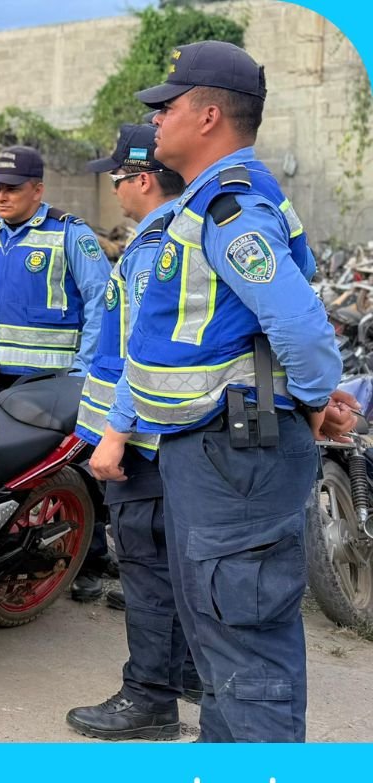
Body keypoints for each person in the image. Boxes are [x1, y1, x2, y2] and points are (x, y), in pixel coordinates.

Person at [98, 41, 356, 743]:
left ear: (208, 116)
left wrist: (310, 401)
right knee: (218, 637)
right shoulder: (203, 206)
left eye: (168, 106)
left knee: (244, 645)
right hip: (208, 453)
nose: (156, 120)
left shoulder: (230, 209)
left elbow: (300, 328)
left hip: (234, 457)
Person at [66, 124, 202, 741]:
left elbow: (141, 352)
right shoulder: (185, 232)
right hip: (168, 438)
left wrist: (114, 432)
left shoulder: (153, 248)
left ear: (142, 179)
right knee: (179, 566)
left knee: (147, 571)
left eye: (117, 178)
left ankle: (149, 699)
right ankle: (187, 675)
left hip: (142, 443)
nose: (114, 190)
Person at [0, 146, 109, 398]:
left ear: (37, 191)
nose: (1, 197)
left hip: (48, 381)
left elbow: (101, 302)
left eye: (12, 189)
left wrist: (82, 370)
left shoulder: (69, 232)